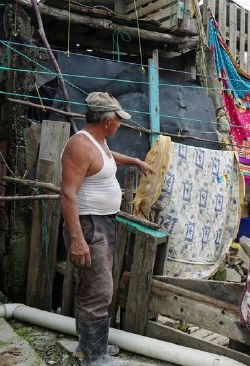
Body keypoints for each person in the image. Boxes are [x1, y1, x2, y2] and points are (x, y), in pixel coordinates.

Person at [60, 92, 155, 365]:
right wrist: (78, 239)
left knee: (93, 287)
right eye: (118, 120)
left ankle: (89, 346)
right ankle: (94, 357)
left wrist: (134, 161)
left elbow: (106, 157)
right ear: (107, 121)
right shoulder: (80, 145)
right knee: (99, 291)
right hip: (90, 225)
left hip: (102, 222)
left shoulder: (97, 142)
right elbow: (67, 195)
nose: (120, 125)